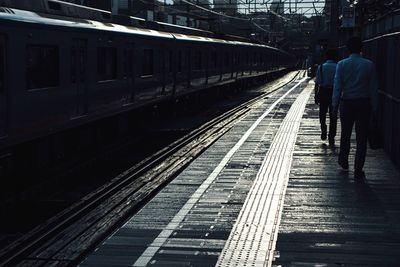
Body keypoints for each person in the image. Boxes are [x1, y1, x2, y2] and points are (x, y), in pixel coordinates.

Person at [332, 36, 379, 181]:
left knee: (345, 133)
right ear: (361, 48)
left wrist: (334, 105)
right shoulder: (369, 65)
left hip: (346, 103)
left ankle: (343, 160)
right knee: (361, 137)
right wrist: (375, 108)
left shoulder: (341, 64)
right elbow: (373, 88)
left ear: (347, 49)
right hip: (364, 103)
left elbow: (337, 87)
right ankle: (358, 168)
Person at [315, 49, 338, 147]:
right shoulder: (338, 67)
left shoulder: (321, 67)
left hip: (323, 92)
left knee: (322, 113)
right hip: (334, 92)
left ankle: (323, 128)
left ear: (326, 57)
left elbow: (317, 83)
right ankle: (331, 136)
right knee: (333, 115)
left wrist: (316, 95)